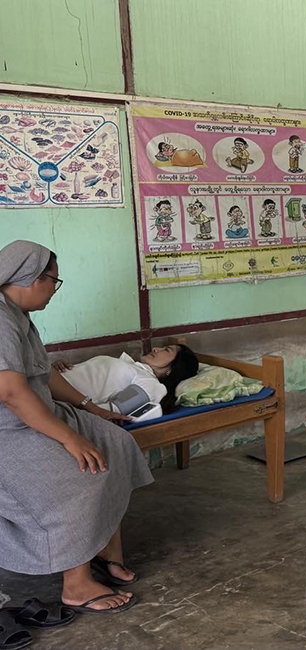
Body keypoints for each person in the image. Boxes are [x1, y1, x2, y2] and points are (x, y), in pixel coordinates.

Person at [0, 240, 153, 613]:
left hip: (38, 413)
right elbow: (11, 393)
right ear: (30, 279)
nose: (55, 288)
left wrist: (92, 410)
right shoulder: (0, 321)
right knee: (88, 471)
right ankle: (77, 585)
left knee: (114, 443)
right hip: (11, 429)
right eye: (54, 280)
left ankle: (104, 549)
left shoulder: (18, 315)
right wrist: (70, 438)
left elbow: (43, 375)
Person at [52, 344, 199, 422]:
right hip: (49, 381)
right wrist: (60, 369)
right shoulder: (135, 368)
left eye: (166, 350)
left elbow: (111, 410)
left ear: (173, 369)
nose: (156, 348)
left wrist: (69, 414)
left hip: (53, 397)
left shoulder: (150, 384)